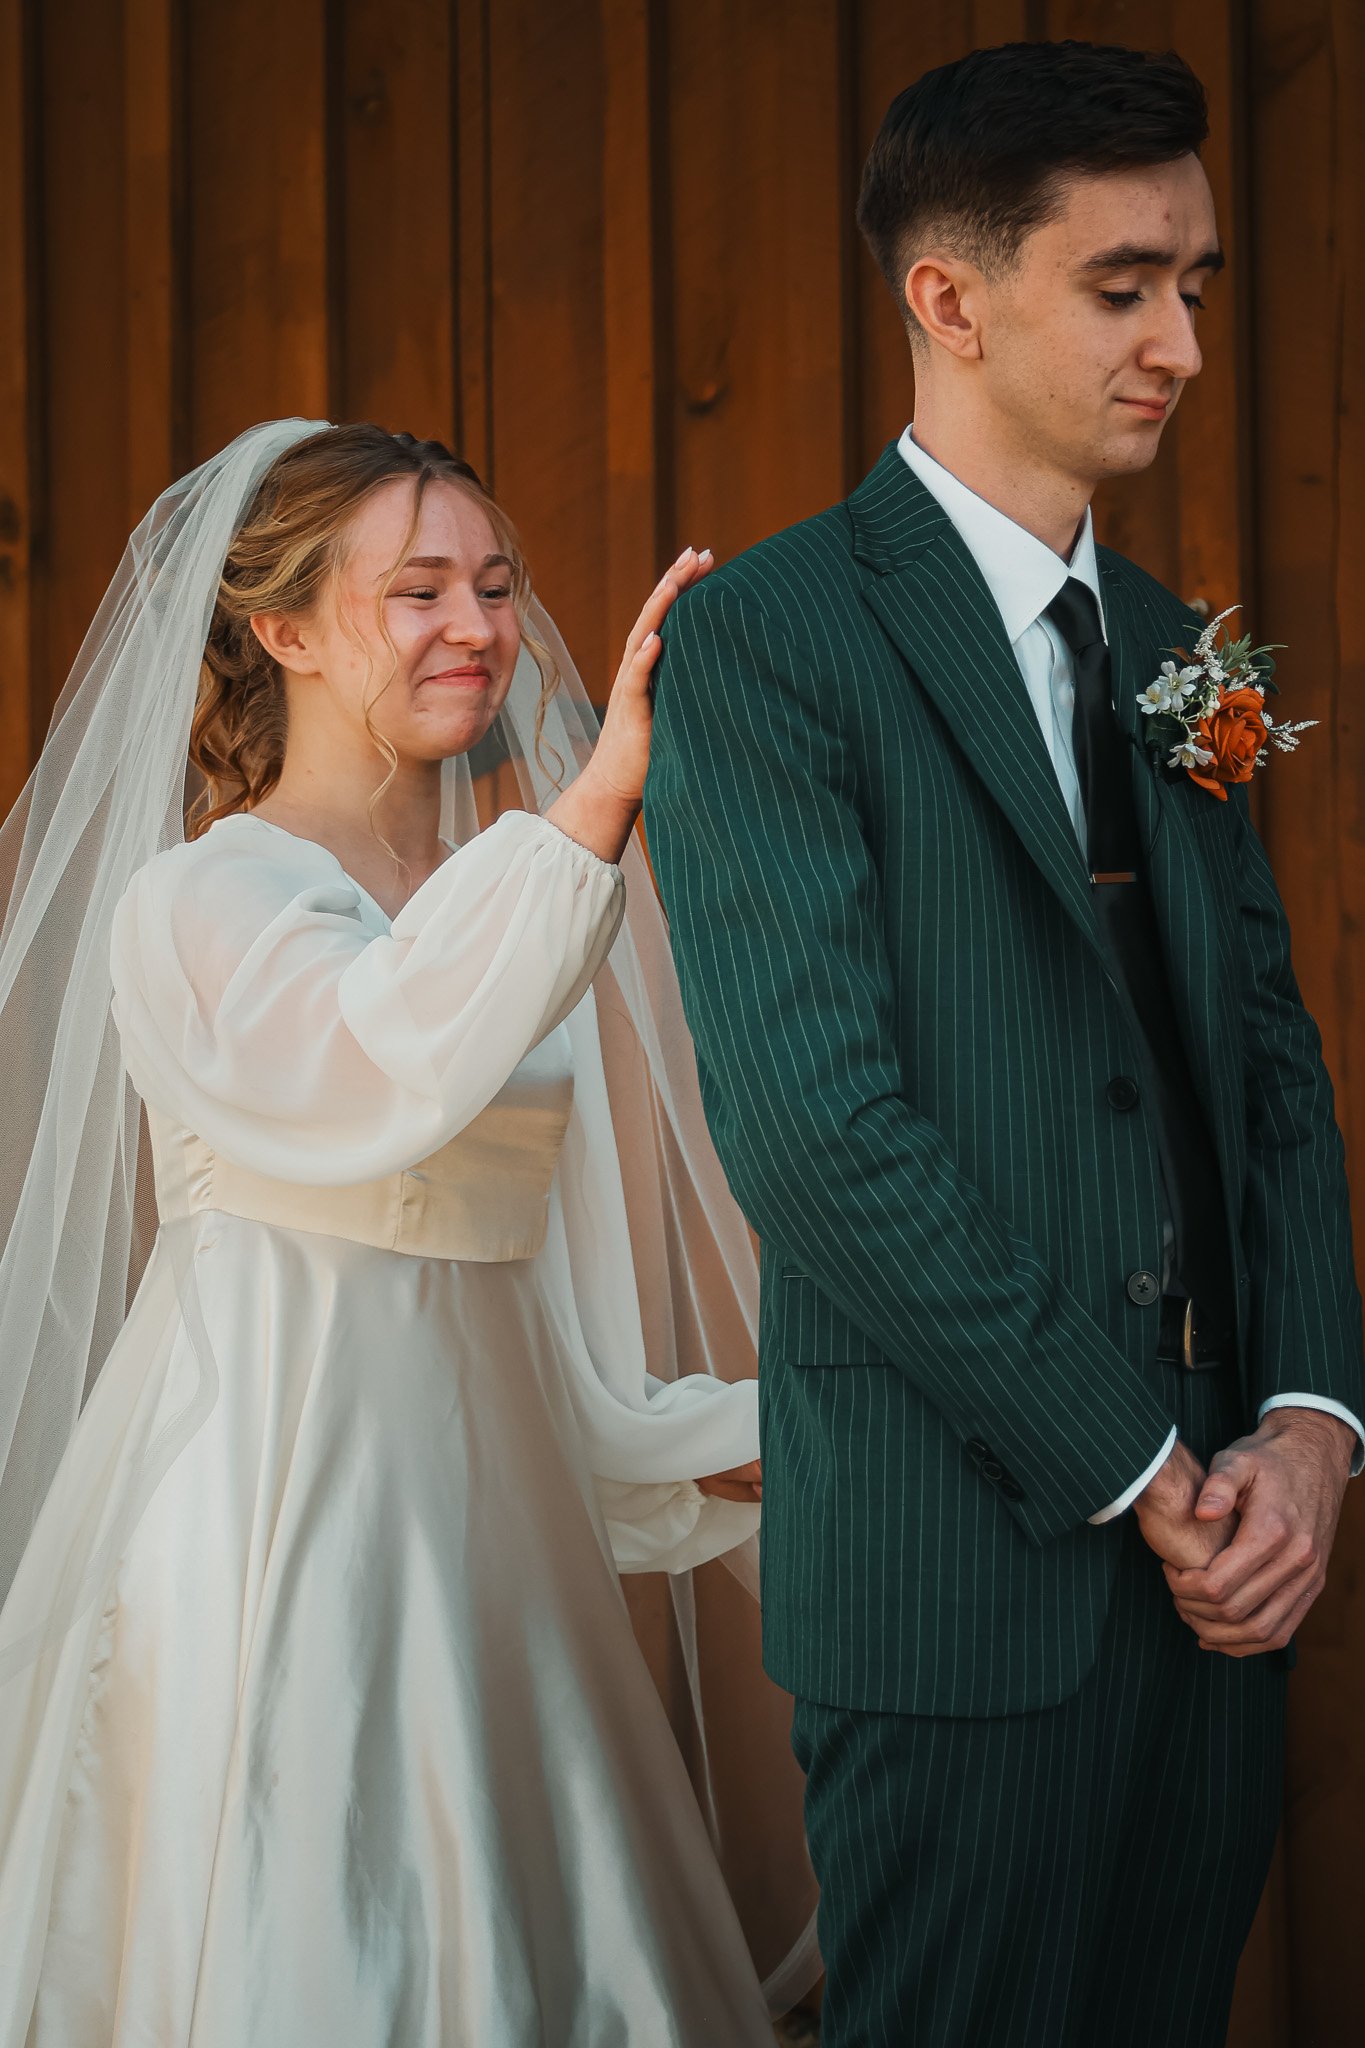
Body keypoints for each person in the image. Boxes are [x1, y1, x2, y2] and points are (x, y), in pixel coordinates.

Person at [644, 38, 1365, 2048]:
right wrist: (1132, 1461)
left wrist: (1309, 1428)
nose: (1179, 346)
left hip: (1231, 1562)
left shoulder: (1190, 658)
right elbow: (814, 1129)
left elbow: (1270, 1074)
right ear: (945, 300)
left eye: (1193, 287)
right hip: (959, 1567)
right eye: (1121, 286)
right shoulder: (766, 638)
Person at [0, 420, 816, 2043]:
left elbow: (509, 1271)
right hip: (277, 1522)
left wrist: (672, 1443)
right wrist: (591, 809)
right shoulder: (204, 902)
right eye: (419, 590)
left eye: (496, 588)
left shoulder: (519, 893)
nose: (477, 629)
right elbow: (383, 1064)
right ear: (283, 630)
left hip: (496, 1538)